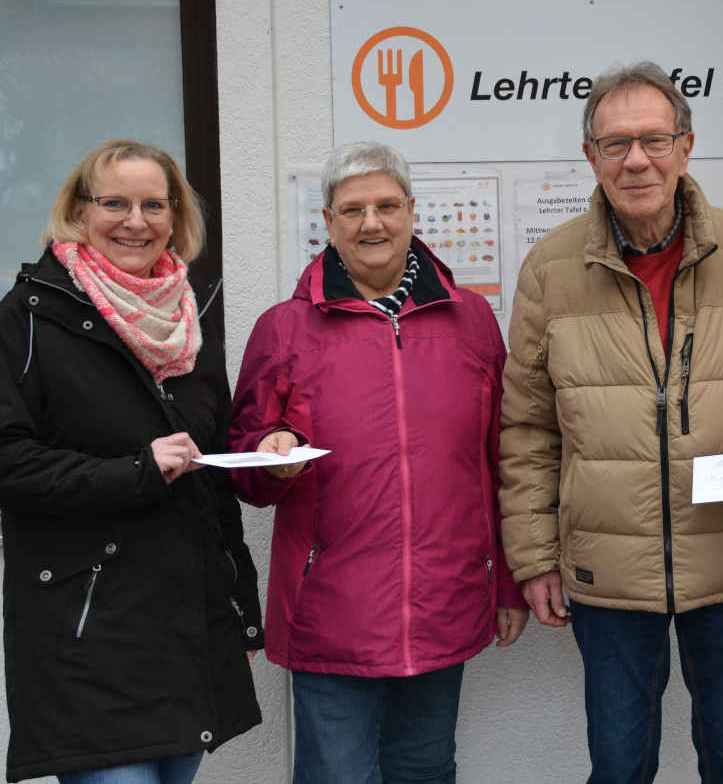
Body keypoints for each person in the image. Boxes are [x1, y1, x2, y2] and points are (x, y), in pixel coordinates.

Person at [499, 61, 723, 783]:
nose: (636, 160)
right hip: (607, 571)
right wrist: (534, 556)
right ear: (591, 157)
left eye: (653, 139)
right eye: (615, 143)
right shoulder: (550, 269)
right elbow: (526, 428)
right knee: (618, 766)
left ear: (685, 146)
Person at [229, 141, 528, 784]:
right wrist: (269, 458)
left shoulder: (472, 321)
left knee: (426, 770)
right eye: (353, 209)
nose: (372, 223)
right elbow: (246, 468)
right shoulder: (284, 329)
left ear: (412, 212)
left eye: (387, 206)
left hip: (446, 601)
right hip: (330, 612)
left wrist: (506, 583)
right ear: (328, 222)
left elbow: (501, 460)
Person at [0, 139, 263, 783]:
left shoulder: (192, 319)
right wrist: (137, 471)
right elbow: (8, 463)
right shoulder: (26, 320)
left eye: (153, 205)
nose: (135, 222)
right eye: (114, 203)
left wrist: (242, 612)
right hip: (87, 632)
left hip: (188, 629)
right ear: (78, 211)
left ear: (175, 216)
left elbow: (211, 483)